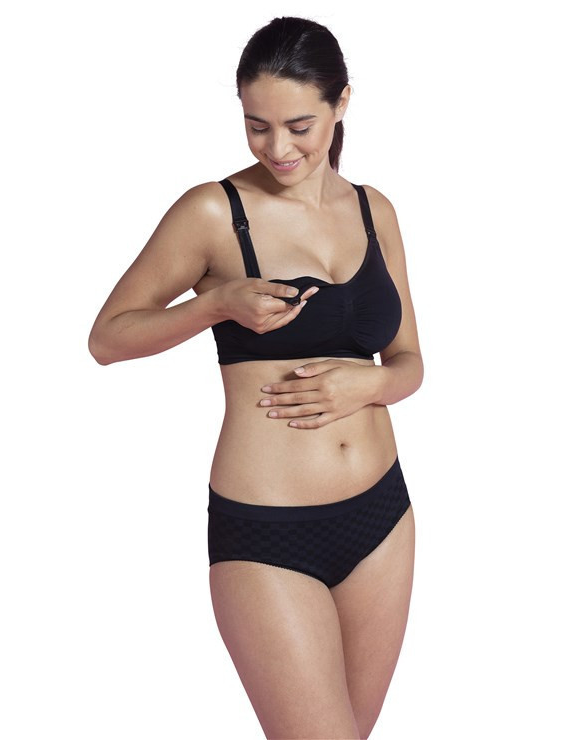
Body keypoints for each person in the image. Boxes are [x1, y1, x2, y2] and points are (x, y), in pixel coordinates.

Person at [88, 15, 424, 740]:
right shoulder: (214, 211)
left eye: (300, 126)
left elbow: (409, 364)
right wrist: (213, 306)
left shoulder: (376, 211)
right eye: (256, 126)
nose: (278, 148)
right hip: (267, 532)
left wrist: (367, 386)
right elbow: (107, 339)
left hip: (383, 517)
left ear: (341, 103)